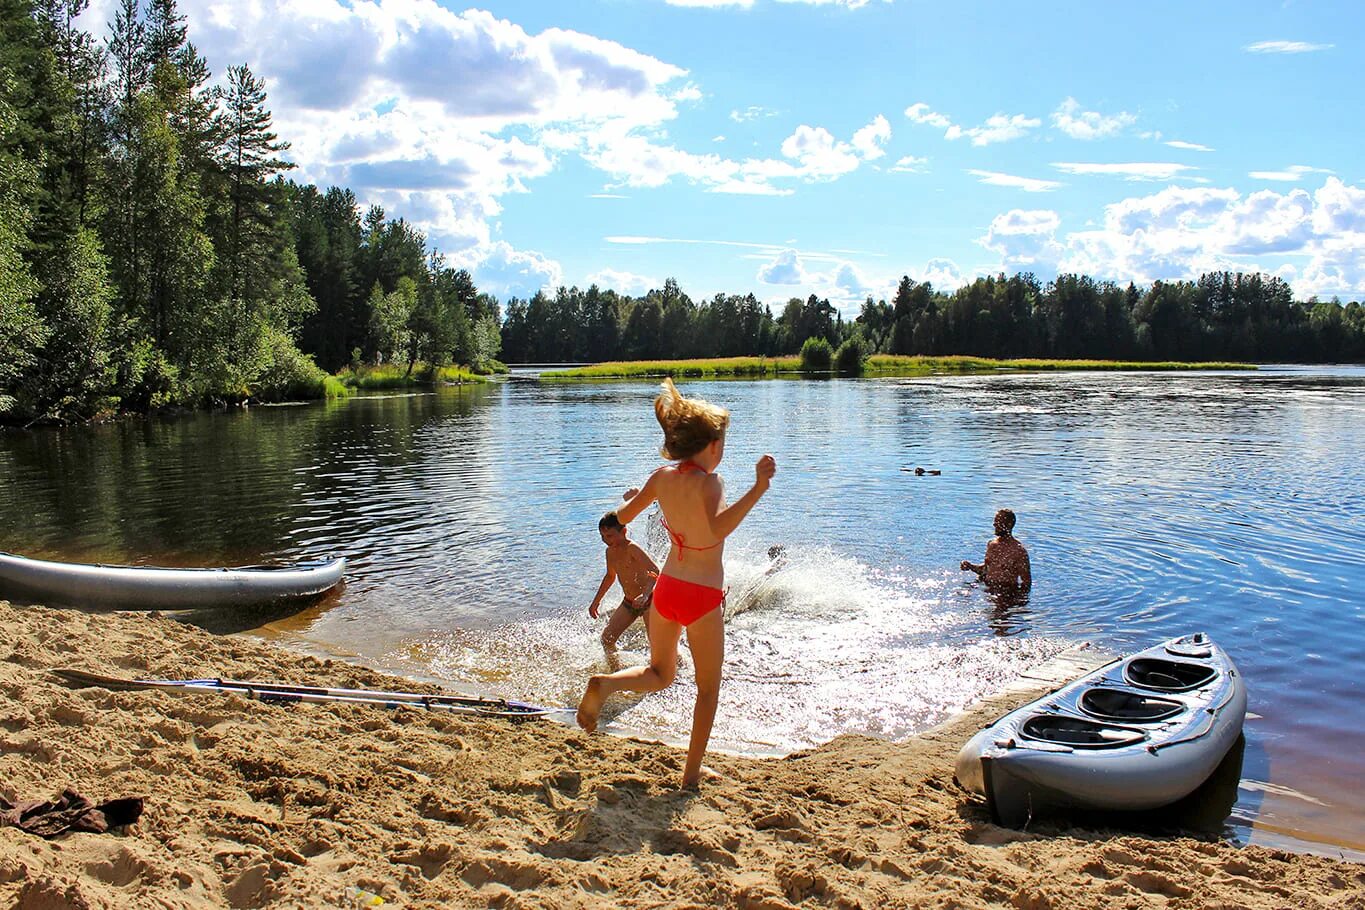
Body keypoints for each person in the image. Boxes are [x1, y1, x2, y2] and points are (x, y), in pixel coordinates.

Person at [577, 378, 777, 788]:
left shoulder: (661, 477)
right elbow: (718, 529)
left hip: (666, 589)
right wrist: (758, 488)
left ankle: (604, 686)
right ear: (709, 446)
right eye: (721, 442)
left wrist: (632, 496)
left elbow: (623, 517)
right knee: (707, 688)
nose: (723, 450)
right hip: (701, 596)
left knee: (660, 672)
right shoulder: (711, 482)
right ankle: (690, 775)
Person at [587, 511, 660, 655]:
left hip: (649, 601)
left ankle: (677, 667)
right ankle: (615, 671)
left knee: (656, 643)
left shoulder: (632, 548)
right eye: (602, 536)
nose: (606, 540)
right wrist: (596, 602)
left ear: (624, 531)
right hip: (629, 602)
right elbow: (610, 576)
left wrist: (645, 595)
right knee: (607, 639)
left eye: (609, 536)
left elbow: (654, 570)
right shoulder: (610, 552)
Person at [961, 509, 1032, 590]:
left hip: (1006, 593)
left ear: (1009, 525)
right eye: (995, 521)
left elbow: (1026, 583)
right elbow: (986, 570)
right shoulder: (992, 545)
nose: (994, 524)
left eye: (998, 521)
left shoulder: (1019, 551)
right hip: (987, 589)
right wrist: (970, 566)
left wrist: (1018, 601)